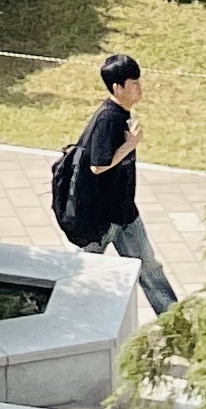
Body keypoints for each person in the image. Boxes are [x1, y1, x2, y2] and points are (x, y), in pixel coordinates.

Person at [70, 55, 179, 316]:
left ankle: (174, 320)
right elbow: (98, 165)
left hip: (124, 214)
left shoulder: (121, 114)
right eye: (133, 83)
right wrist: (130, 145)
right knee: (81, 274)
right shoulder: (108, 118)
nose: (139, 88)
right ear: (117, 87)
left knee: (149, 269)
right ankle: (69, 316)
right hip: (101, 220)